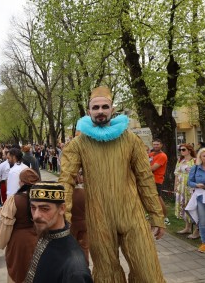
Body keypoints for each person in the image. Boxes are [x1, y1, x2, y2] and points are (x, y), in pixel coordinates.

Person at [59, 86, 165, 282]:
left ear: (112, 110)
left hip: (132, 215)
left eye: (105, 107)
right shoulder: (78, 144)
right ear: (89, 111)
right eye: (96, 107)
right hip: (99, 217)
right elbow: (65, 181)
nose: (100, 111)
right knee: (107, 275)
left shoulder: (131, 139)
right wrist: (64, 218)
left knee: (148, 272)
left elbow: (145, 179)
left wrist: (156, 215)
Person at [25, 183, 92, 283]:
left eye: (44, 209)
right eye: (33, 208)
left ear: (62, 209)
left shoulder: (75, 270)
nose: (36, 216)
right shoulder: (46, 234)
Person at [0, 168, 40, 283]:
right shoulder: (41, 199)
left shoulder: (14, 200)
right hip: (38, 239)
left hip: (18, 243)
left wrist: (1, 243)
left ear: (21, 182)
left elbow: (5, 226)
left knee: (18, 271)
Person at [174, 143, 199, 238]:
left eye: (183, 149)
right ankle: (187, 227)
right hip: (181, 187)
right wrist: (175, 185)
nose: (181, 151)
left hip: (190, 186)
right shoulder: (180, 160)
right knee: (183, 205)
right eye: (180, 150)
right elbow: (176, 173)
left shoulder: (195, 161)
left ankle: (197, 229)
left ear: (189, 150)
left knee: (192, 206)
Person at [70, 168, 89, 265]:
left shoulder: (68, 195)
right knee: (84, 247)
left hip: (72, 224)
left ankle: (75, 266)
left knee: (72, 247)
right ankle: (85, 266)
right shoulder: (85, 193)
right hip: (84, 224)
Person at [149, 138, 169, 225]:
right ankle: (154, 216)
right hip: (150, 179)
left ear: (161, 145)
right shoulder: (152, 154)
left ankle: (165, 217)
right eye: (154, 144)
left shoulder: (162, 156)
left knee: (158, 198)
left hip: (157, 180)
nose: (155, 146)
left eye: (157, 144)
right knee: (152, 199)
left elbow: (153, 168)